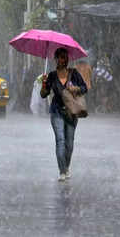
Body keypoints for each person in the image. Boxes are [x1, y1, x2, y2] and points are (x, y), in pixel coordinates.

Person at [40, 48, 88, 182]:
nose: (63, 60)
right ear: (55, 59)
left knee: (69, 143)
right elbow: (44, 95)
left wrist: (76, 88)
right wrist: (44, 85)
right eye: (60, 57)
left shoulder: (74, 73)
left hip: (71, 112)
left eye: (65, 57)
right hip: (56, 111)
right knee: (60, 140)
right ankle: (62, 171)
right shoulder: (52, 76)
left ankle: (66, 167)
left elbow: (85, 88)